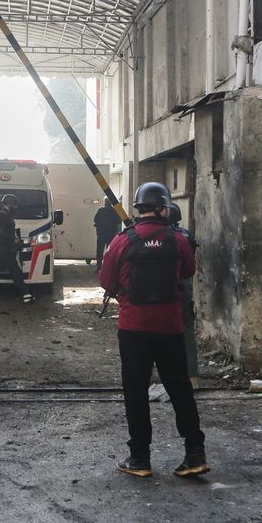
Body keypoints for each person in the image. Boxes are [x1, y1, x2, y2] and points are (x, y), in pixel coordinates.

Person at [100, 182, 206, 479]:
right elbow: (188, 271)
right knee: (180, 389)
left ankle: (140, 459)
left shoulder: (122, 240)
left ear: (139, 208)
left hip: (133, 327)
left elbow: (106, 281)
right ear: (163, 208)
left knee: (135, 391)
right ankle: (195, 454)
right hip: (170, 327)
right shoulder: (178, 239)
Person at [0, 194, 33, 304]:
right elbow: (1, 233)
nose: (16, 208)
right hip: (2, 250)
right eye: (15, 205)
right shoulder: (3, 215)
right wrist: (14, 239)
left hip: (4, 249)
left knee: (14, 272)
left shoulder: (5, 215)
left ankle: (26, 295)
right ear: (11, 204)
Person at [166, 202, 199, 379]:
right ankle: (192, 375)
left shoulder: (164, 236)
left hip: (163, 286)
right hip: (184, 284)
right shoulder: (186, 235)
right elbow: (190, 266)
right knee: (186, 329)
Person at [93, 198, 122, 272]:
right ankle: (109, 268)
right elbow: (119, 221)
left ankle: (99, 267)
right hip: (111, 234)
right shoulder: (114, 211)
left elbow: (95, 220)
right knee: (110, 251)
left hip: (101, 234)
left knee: (99, 251)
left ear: (105, 202)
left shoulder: (100, 210)